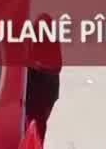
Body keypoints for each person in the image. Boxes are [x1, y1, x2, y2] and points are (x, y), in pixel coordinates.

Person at [24, 14, 62, 142]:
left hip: (35, 100)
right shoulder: (51, 45)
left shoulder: (33, 47)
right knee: (36, 133)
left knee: (32, 132)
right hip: (40, 102)